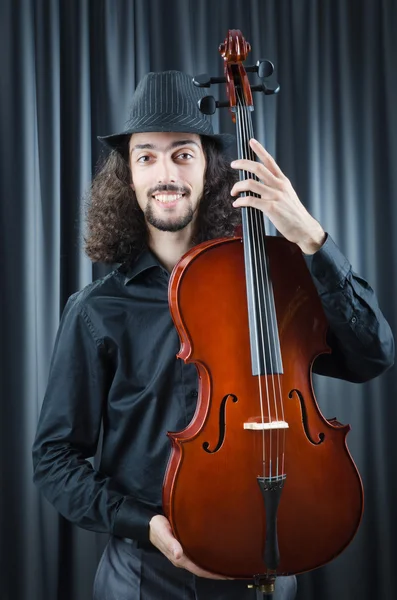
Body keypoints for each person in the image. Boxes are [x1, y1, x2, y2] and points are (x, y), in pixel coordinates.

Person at [32, 71, 394, 600]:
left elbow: (374, 355)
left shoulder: (275, 279)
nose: (165, 174)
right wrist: (145, 524)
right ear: (128, 176)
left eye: (182, 154)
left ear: (208, 168)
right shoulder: (97, 310)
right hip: (143, 577)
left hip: (271, 549)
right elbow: (54, 458)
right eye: (146, 156)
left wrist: (313, 241)